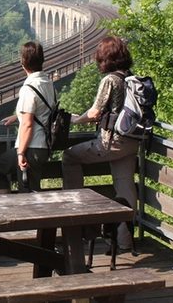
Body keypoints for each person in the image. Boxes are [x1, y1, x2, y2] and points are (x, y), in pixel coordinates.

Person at [62, 35, 140, 251]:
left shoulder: (110, 80)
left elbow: (96, 112)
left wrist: (76, 119)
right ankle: (125, 241)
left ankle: (75, 214)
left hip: (111, 142)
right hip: (131, 141)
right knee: (125, 186)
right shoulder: (129, 78)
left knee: (69, 156)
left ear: (106, 59)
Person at [0, 41, 55, 194]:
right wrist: (17, 116)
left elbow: (28, 125)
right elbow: (41, 111)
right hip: (43, 146)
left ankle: (8, 211)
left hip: (30, 147)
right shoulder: (48, 83)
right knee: (31, 190)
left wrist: (20, 153)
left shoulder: (28, 88)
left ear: (23, 62)